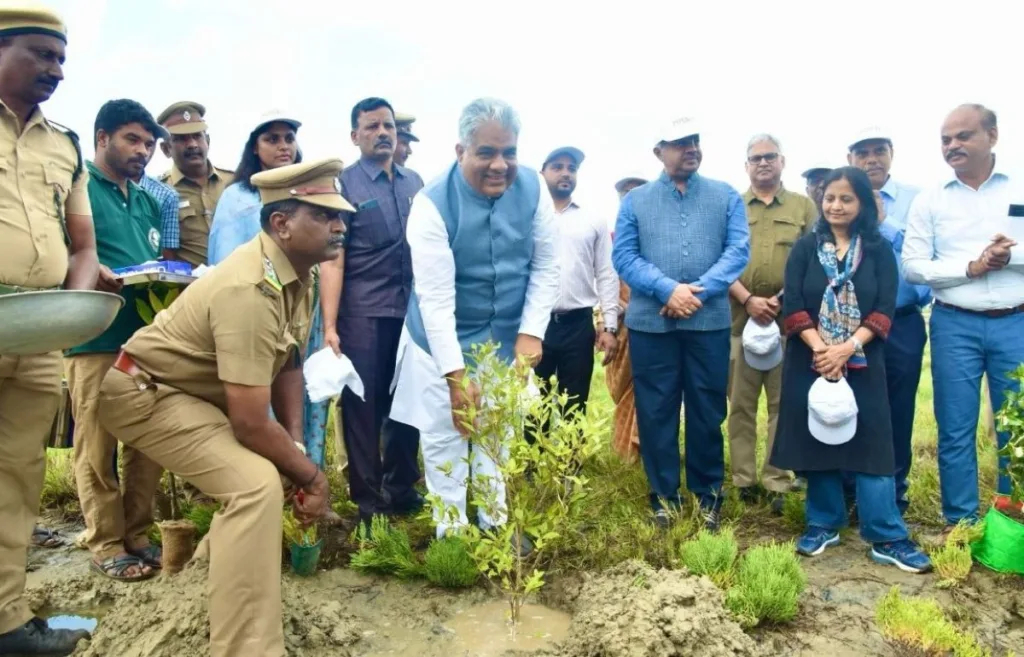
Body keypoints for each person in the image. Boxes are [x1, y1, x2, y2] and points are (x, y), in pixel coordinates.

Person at [95, 158, 348, 656]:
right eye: (324, 215)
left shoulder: (299, 272)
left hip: (188, 396)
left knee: (272, 471)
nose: (340, 225)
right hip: (146, 393)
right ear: (282, 224)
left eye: (340, 215)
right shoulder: (248, 288)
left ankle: (204, 587)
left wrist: (295, 449)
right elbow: (251, 423)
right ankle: (243, 646)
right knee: (254, 485)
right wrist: (312, 477)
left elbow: (290, 362)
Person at [389, 97, 559, 538]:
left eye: (510, 153)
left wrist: (530, 333)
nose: (499, 165)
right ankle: (452, 534)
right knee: (448, 433)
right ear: (460, 150)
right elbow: (436, 300)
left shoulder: (535, 190)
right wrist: (455, 377)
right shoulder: (431, 205)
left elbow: (545, 266)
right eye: (486, 152)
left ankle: (495, 526)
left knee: (496, 433)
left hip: (504, 340)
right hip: (440, 340)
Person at [0, 6, 100, 655]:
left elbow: (84, 245)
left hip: (36, 335)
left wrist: (72, 304)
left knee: (16, 477)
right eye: (41, 54)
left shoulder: (63, 145)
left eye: (61, 59)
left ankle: (6, 623)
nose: (56, 70)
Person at [771, 166, 931, 573]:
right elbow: (794, 308)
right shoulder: (806, 248)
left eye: (846, 198)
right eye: (829, 198)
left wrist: (845, 349)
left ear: (862, 204)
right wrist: (823, 350)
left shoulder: (877, 251)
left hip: (862, 358)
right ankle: (823, 523)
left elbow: (883, 310)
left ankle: (886, 533)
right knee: (819, 437)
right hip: (810, 359)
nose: (836, 205)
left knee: (873, 444)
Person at [612, 117, 750, 530]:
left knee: (707, 410)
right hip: (651, 326)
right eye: (679, 143)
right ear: (658, 152)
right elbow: (624, 257)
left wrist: (697, 291)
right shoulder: (634, 202)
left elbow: (738, 250)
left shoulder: (725, 196)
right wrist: (667, 289)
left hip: (707, 323)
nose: (690, 148)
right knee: (656, 411)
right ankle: (664, 497)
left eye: (694, 140)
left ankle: (708, 495)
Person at [903, 104, 1024, 527]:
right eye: (945, 139)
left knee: (1018, 428)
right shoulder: (931, 199)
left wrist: (1007, 257)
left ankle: (1013, 521)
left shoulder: (1020, 186)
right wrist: (970, 267)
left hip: (1016, 323)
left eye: (963, 136)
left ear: (992, 136)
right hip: (955, 323)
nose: (952, 146)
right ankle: (962, 524)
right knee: (955, 428)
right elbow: (914, 266)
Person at [64, 99, 166, 582]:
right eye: (132, 139)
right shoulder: (78, 186)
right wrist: (87, 269)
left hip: (143, 342)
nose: (143, 151)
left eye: (148, 143)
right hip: (92, 338)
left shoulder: (146, 200)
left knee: (146, 442)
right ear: (101, 138)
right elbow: (59, 249)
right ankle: (105, 542)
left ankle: (139, 534)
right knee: (97, 445)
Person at [319, 98, 424, 525]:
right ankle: (369, 504)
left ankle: (401, 489)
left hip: (410, 314)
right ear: (355, 136)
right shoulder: (343, 185)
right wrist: (330, 324)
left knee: (407, 404)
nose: (383, 132)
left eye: (388, 126)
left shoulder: (415, 182)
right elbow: (333, 257)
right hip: (362, 312)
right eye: (373, 126)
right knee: (363, 409)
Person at [727, 134, 816, 511]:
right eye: (755, 158)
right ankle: (744, 480)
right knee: (742, 405)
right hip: (737, 319)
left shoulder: (803, 206)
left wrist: (779, 300)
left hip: (788, 324)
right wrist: (748, 299)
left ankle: (778, 479)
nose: (762, 163)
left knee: (783, 405)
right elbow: (720, 261)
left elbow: (814, 259)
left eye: (769, 157)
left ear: (783, 161)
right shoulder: (730, 205)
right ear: (745, 165)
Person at [847, 126, 929, 516]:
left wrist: (882, 222)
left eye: (878, 150)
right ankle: (850, 493)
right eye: (862, 153)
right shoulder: (842, 199)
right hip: (849, 327)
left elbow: (924, 260)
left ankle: (893, 494)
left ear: (892, 153)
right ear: (850, 159)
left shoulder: (917, 201)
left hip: (901, 322)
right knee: (850, 407)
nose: (871, 159)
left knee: (898, 410)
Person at [536, 146, 619, 424]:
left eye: (571, 168)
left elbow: (606, 274)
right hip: (536, 325)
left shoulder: (593, 220)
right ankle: (531, 468)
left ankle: (569, 467)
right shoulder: (529, 218)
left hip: (578, 326)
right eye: (557, 166)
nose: (565, 173)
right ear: (542, 172)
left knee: (574, 405)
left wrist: (609, 327)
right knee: (536, 405)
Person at [207, 110, 302, 265]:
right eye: (272, 139)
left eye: (289, 139)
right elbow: (224, 262)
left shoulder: (308, 191)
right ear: (255, 148)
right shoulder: (235, 196)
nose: (284, 146)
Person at [156, 101, 234, 266]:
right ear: (166, 149)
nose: (192, 144)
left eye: (197, 136)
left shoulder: (235, 183)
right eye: (181, 139)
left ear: (208, 141)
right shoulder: (158, 193)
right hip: (191, 288)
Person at [605, 174, 647, 463]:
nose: (629, 199)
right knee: (621, 388)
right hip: (618, 327)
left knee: (644, 386)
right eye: (624, 194)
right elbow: (602, 284)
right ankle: (622, 451)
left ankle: (640, 449)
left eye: (636, 193)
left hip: (650, 324)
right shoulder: (609, 241)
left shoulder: (656, 240)